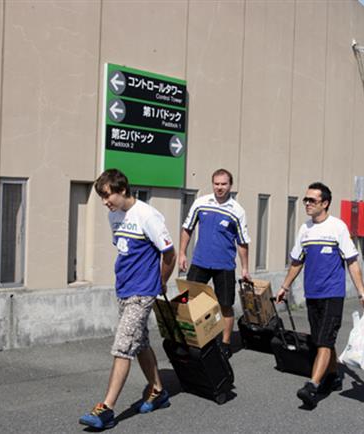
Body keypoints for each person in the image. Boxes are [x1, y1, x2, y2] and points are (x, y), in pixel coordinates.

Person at [79, 169, 176, 430]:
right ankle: (158, 391)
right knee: (140, 341)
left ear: (122, 190)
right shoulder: (114, 216)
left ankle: (106, 409)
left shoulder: (147, 216)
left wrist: (160, 282)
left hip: (142, 292)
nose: (104, 202)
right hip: (123, 289)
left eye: (107, 195)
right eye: (101, 197)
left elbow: (169, 253)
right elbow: (124, 250)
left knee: (123, 345)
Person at [275, 182, 364, 408]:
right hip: (313, 294)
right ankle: (334, 375)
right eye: (305, 200)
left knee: (324, 340)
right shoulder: (304, 229)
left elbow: (352, 262)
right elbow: (297, 262)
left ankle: (312, 385)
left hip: (332, 294)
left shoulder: (337, 227)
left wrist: (362, 293)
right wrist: (285, 287)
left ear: (325, 203)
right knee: (322, 339)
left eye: (312, 200)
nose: (307, 204)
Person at [179, 168, 250, 359]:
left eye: (223, 184)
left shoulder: (237, 211)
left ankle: (225, 343)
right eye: (216, 184)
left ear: (230, 185)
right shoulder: (201, 203)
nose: (219, 187)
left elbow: (243, 242)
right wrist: (182, 253)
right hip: (200, 262)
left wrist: (245, 268)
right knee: (188, 302)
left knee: (225, 305)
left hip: (225, 266)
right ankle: (190, 339)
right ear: (212, 184)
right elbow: (187, 228)